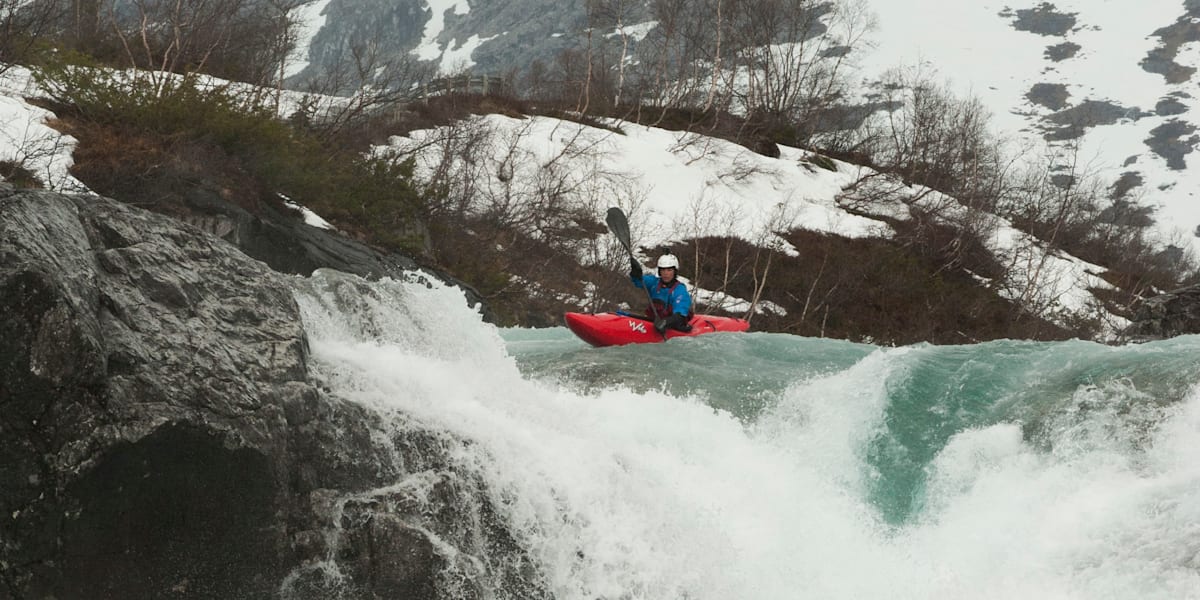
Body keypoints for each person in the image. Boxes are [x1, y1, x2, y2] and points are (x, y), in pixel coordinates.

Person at [629, 253, 693, 334]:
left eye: (669, 270)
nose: (666, 273)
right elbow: (639, 280)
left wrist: (665, 322)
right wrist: (635, 272)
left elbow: (680, 315)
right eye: (663, 270)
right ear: (659, 271)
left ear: (674, 272)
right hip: (654, 323)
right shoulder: (654, 282)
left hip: (672, 326)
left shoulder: (680, 290)